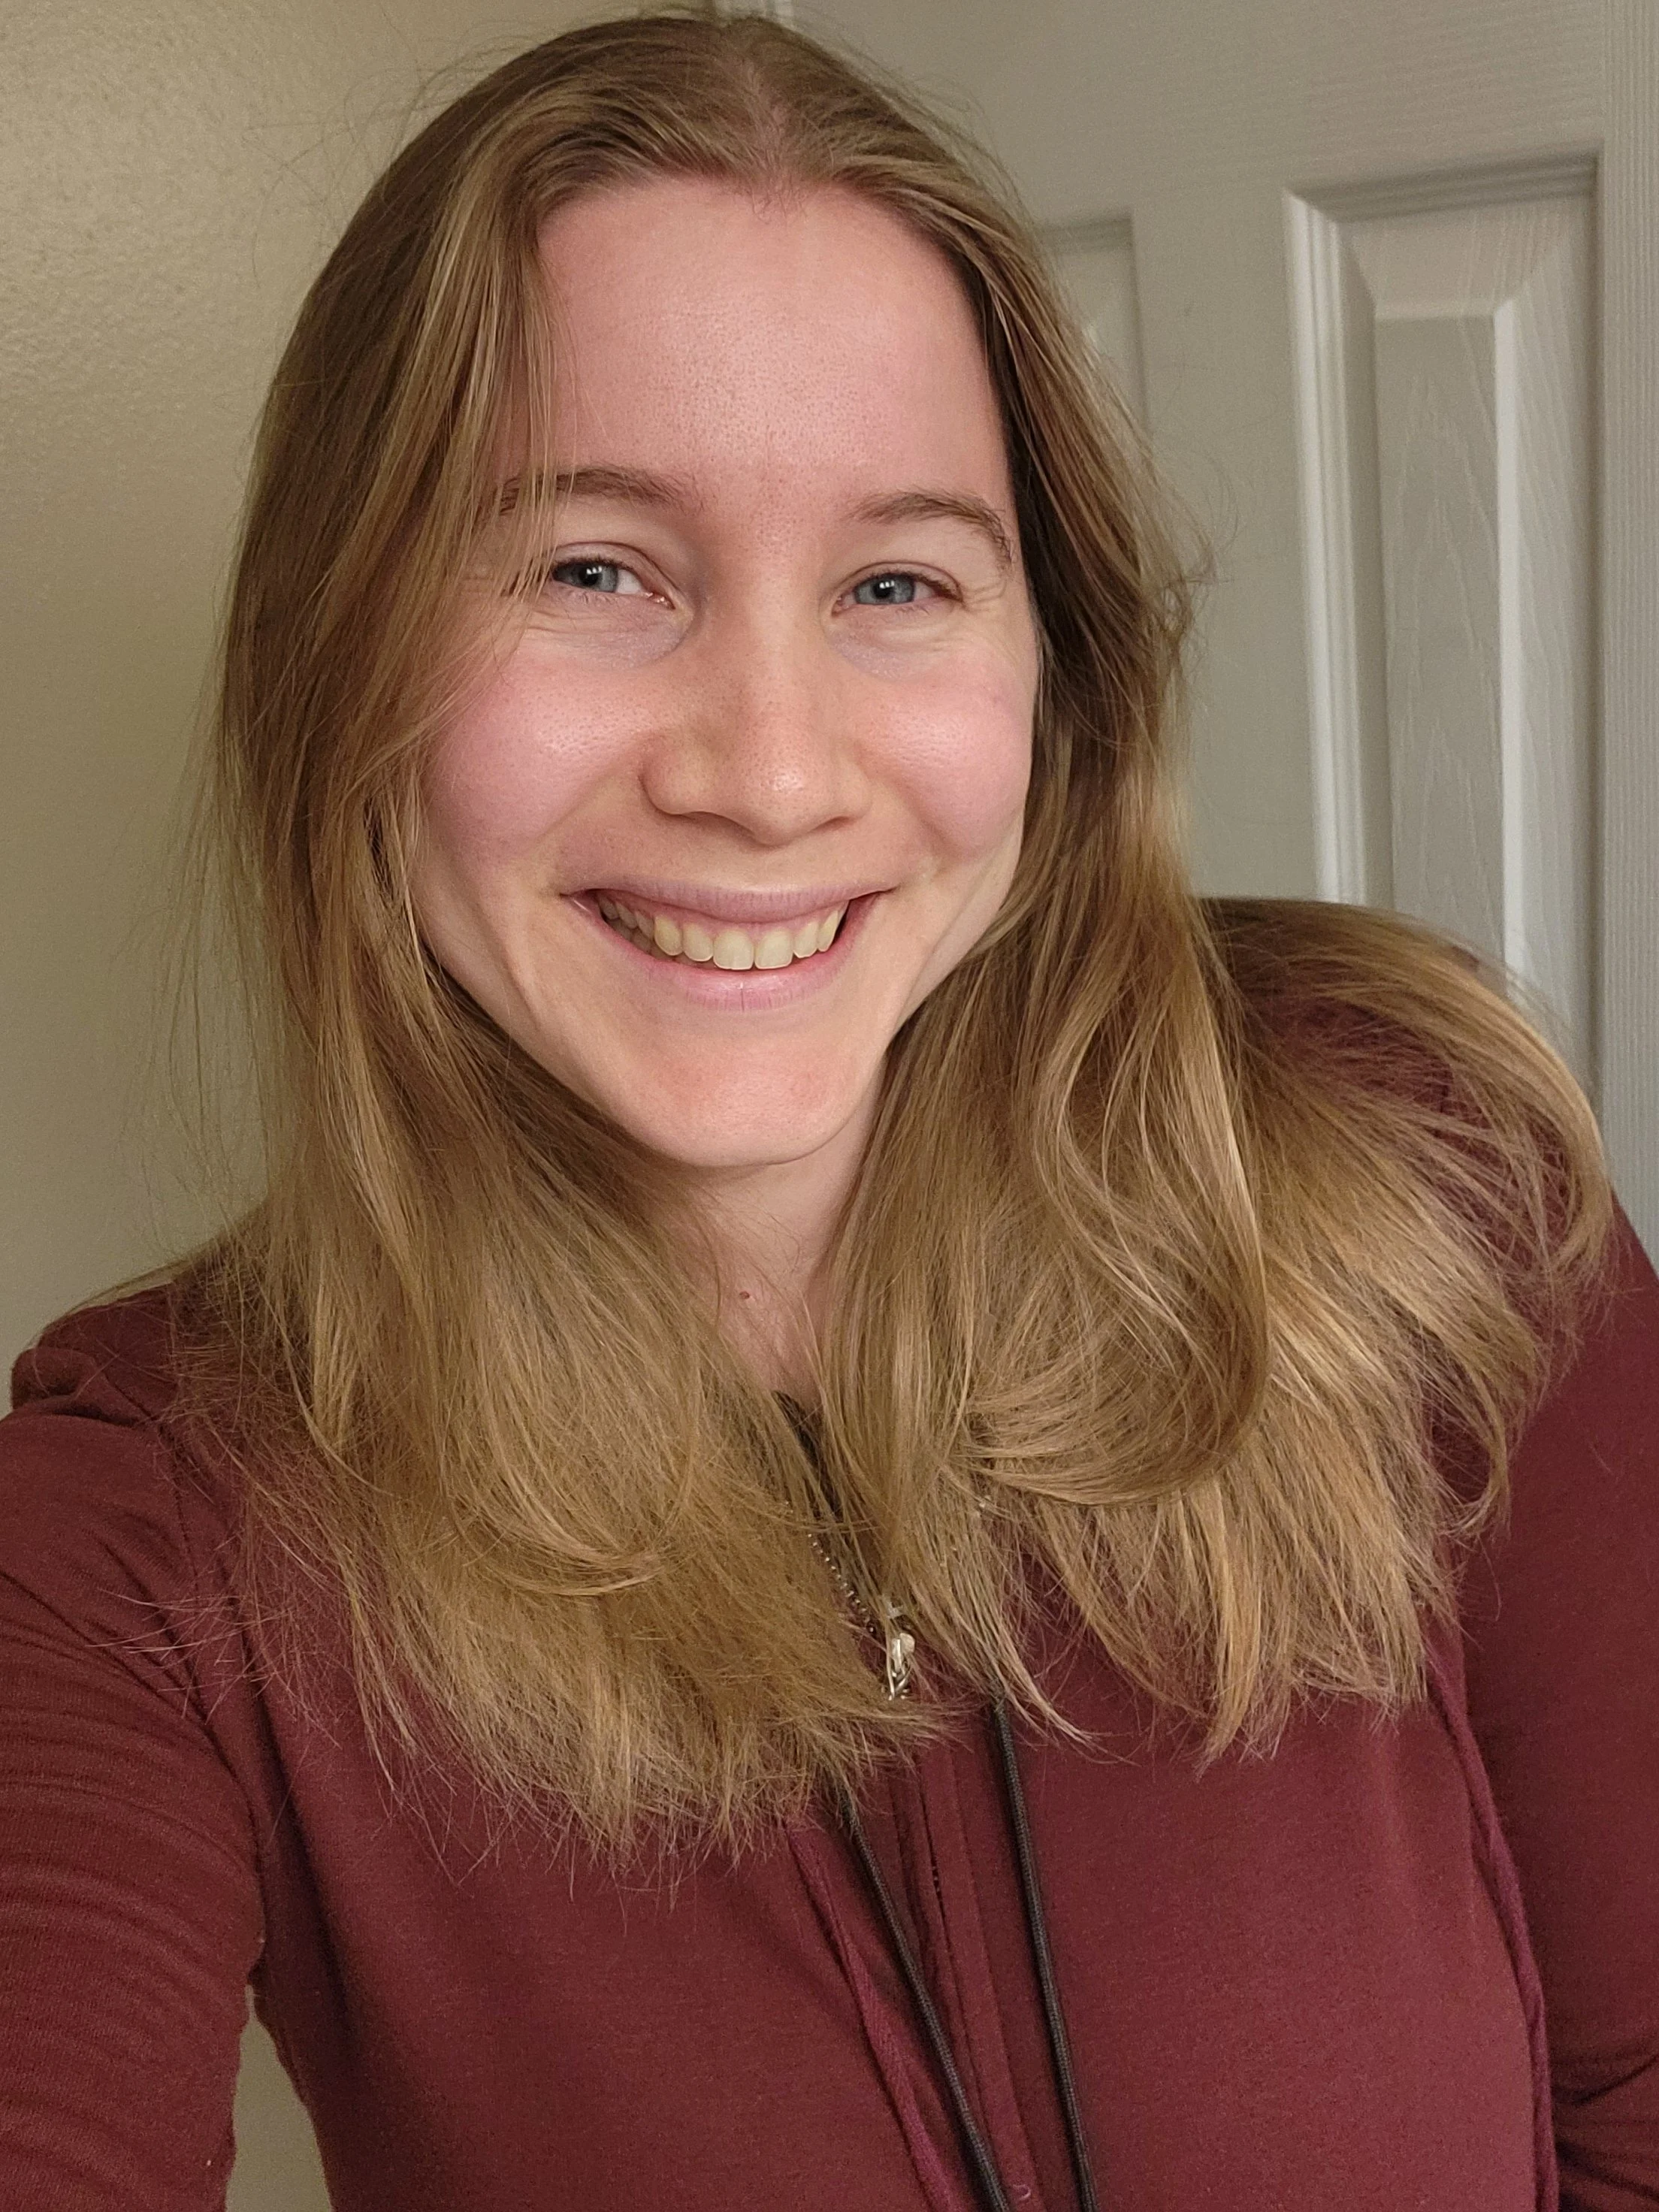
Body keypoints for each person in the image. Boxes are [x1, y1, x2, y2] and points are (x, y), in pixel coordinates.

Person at [1, 12, 1654, 2210]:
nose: (772, 772)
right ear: (345, 651)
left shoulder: (1413, 1169)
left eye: (897, 583)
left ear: (1052, 680)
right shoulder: (147, 1528)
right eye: (595, 568)